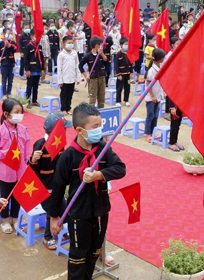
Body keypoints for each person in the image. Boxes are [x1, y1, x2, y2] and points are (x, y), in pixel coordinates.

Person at [49, 103, 126, 280]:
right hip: (78, 216)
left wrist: (99, 174)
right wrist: (54, 218)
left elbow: (121, 169)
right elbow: (58, 188)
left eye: (100, 125)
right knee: (78, 259)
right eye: (95, 127)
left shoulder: (103, 149)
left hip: (100, 212)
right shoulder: (68, 157)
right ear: (80, 130)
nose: (99, 130)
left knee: (93, 255)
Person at [29, 112, 72, 250]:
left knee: (66, 212)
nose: (65, 132)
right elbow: (32, 171)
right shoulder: (40, 145)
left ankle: (61, 230)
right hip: (44, 190)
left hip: (57, 188)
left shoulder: (59, 144)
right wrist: (33, 160)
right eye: (64, 129)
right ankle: (48, 237)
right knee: (52, 212)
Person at [0, 98, 30, 234]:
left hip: (20, 169)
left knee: (17, 196)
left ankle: (15, 219)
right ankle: (4, 220)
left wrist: (26, 161)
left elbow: (27, 146)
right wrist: (6, 153)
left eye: (21, 112)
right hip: (6, 170)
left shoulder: (23, 129)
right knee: (5, 196)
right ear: (6, 114)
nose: (19, 115)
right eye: (16, 112)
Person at [143, 48, 166, 143]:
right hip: (151, 97)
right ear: (160, 58)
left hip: (158, 95)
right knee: (150, 115)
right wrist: (152, 96)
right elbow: (148, 85)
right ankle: (148, 133)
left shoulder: (160, 68)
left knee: (156, 115)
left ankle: (153, 132)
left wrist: (162, 93)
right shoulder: (152, 71)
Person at [80, 36, 109, 109]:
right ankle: (91, 113)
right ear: (96, 46)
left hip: (102, 77)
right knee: (93, 97)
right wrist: (86, 76)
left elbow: (106, 60)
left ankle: (101, 111)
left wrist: (102, 54)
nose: (101, 47)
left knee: (101, 96)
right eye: (100, 45)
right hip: (93, 78)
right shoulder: (88, 56)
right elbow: (80, 65)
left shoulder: (101, 54)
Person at [57, 35, 82, 115]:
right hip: (64, 78)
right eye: (69, 43)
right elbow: (59, 68)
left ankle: (69, 107)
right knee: (64, 94)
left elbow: (77, 66)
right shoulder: (61, 55)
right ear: (64, 44)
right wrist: (60, 80)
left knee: (70, 94)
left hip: (72, 78)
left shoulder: (74, 53)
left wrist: (78, 77)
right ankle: (63, 108)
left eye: (72, 43)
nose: (71, 44)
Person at [22, 31, 44, 106]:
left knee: (36, 86)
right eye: (36, 36)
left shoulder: (39, 47)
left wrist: (42, 69)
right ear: (32, 37)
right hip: (31, 69)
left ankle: (34, 100)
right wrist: (27, 70)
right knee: (29, 86)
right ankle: (27, 101)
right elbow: (26, 59)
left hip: (37, 69)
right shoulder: (28, 46)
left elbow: (42, 58)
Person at [0, 29, 17, 99]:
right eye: (7, 33)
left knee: (10, 79)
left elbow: (14, 50)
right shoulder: (0, 43)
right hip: (4, 63)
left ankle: (9, 93)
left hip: (11, 63)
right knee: (4, 79)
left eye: (10, 33)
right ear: (4, 34)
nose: (9, 34)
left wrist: (9, 45)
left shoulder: (13, 42)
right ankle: (4, 94)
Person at [115, 38, 132, 107]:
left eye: (128, 44)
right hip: (121, 74)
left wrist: (131, 73)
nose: (127, 46)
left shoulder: (129, 54)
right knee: (119, 88)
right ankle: (118, 101)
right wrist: (118, 74)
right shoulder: (119, 54)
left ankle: (126, 100)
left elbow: (130, 64)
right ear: (121, 45)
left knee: (127, 88)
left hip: (127, 74)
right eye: (125, 44)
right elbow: (116, 65)